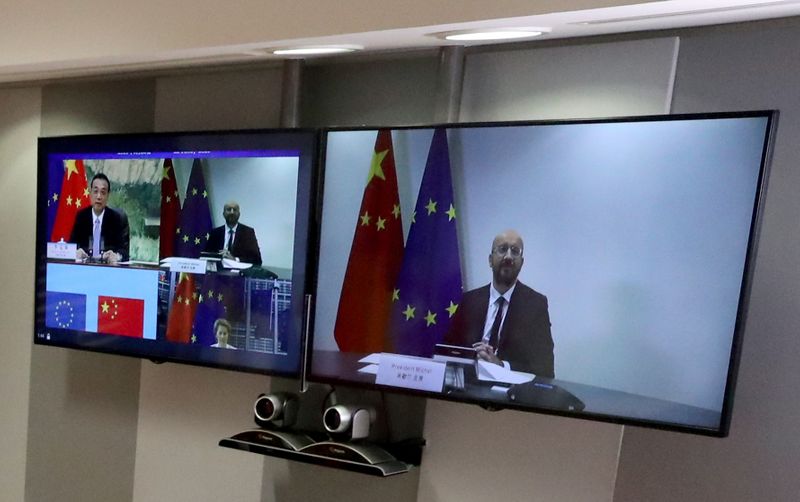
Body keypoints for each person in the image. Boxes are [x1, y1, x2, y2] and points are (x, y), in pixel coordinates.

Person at [444, 229, 554, 378]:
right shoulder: (469, 301)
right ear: (490, 259)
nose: (508, 256)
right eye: (502, 249)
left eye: (515, 251)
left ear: (522, 262)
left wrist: (501, 366)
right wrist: (472, 358)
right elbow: (447, 351)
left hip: (510, 395)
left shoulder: (536, 306)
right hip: (469, 388)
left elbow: (545, 369)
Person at [70, 172, 130, 264]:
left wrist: (116, 256)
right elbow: (71, 245)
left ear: (108, 195)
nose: (99, 197)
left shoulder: (116, 219)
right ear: (90, 193)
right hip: (84, 270)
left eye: (103, 192)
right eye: (95, 191)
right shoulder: (81, 217)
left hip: (108, 271)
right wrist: (75, 253)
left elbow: (124, 252)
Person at [205, 201, 262, 266]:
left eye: (235, 210)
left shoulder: (248, 233)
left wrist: (235, 259)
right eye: (229, 209)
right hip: (219, 272)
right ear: (223, 214)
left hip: (239, 274)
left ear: (239, 214)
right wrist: (218, 256)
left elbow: (257, 260)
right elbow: (206, 256)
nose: (232, 212)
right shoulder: (215, 233)